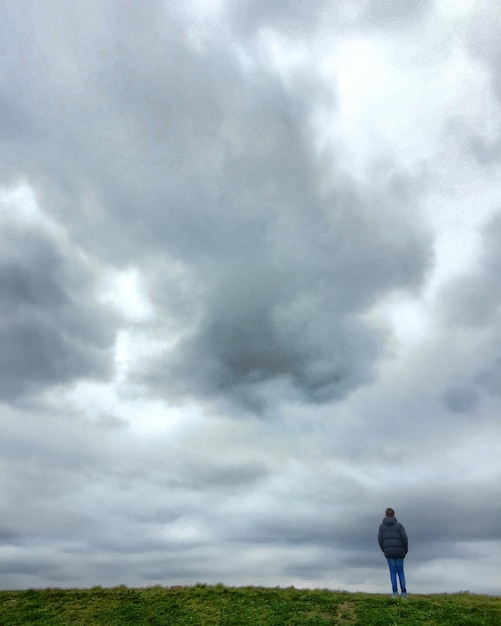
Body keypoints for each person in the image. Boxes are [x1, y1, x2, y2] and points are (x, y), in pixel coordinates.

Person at [378, 507, 408, 598]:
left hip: (389, 552)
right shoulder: (399, 526)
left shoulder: (382, 527)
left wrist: (384, 550)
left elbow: (380, 540)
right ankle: (403, 593)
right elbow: (404, 539)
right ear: (394, 515)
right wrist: (405, 550)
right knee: (401, 572)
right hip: (399, 552)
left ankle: (394, 593)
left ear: (385, 515)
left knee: (392, 572)